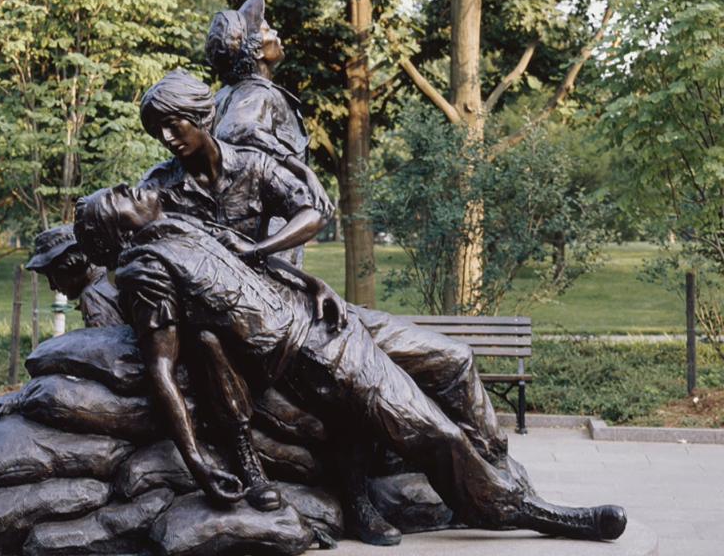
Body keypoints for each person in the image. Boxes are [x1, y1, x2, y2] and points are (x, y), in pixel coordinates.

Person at [73, 183, 628, 544]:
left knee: (454, 359)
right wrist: (197, 463)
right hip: (314, 355)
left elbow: (260, 266)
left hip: (334, 315)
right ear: (117, 230)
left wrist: (317, 283)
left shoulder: (182, 224)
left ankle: (488, 474)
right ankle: (535, 513)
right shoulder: (145, 273)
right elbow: (162, 372)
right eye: (117, 196)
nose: (131, 186)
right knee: (436, 435)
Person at [134, 68, 506, 544]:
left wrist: (290, 268)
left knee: (454, 357)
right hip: (243, 328)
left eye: (174, 124)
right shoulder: (159, 189)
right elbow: (140, 247)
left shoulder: (252, 165)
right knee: (343, 383)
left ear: (200, 116)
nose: (167, 138)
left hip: (294, 297)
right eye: (157, 130)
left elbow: (311, 211)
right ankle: (356, 504)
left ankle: (496, 466)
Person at [204, 0, 333, 268]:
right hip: (269, 238)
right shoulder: (260, 94)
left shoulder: (223, 96)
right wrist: (302, 170)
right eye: (266, 29)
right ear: (257, 49)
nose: (275, 32)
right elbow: (236, 129)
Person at [25, 225, 124, 328]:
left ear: (69, 264)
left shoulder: (93, 296)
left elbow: (108, 342)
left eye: (52, 275)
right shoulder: (110, 278)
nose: (52, 286)